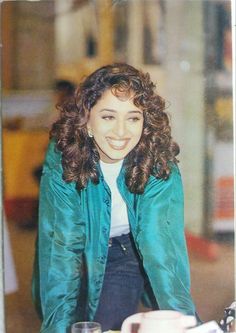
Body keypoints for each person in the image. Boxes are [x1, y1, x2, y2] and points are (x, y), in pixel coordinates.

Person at [32, 63, 198, 333]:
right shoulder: (63, 154)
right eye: (108, 116)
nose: (121, 132)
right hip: (77, 244)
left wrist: (187, 324)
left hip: (123, 251)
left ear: (144, 123)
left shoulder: (157, 158)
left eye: (133, 118)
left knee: (107, 323)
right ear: (87, 121)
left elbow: (162, 249)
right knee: (66, 322)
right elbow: (61, 247)